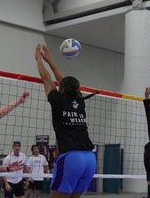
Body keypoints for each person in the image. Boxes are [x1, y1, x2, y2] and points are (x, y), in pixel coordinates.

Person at [35, 44, 96, 198]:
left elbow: (46, 78)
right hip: (90, 159)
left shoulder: (57, 100)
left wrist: (39, 60)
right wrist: (50, 60)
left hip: (71, 158)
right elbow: (64, 82)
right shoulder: (80, 101)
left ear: (61, 89)